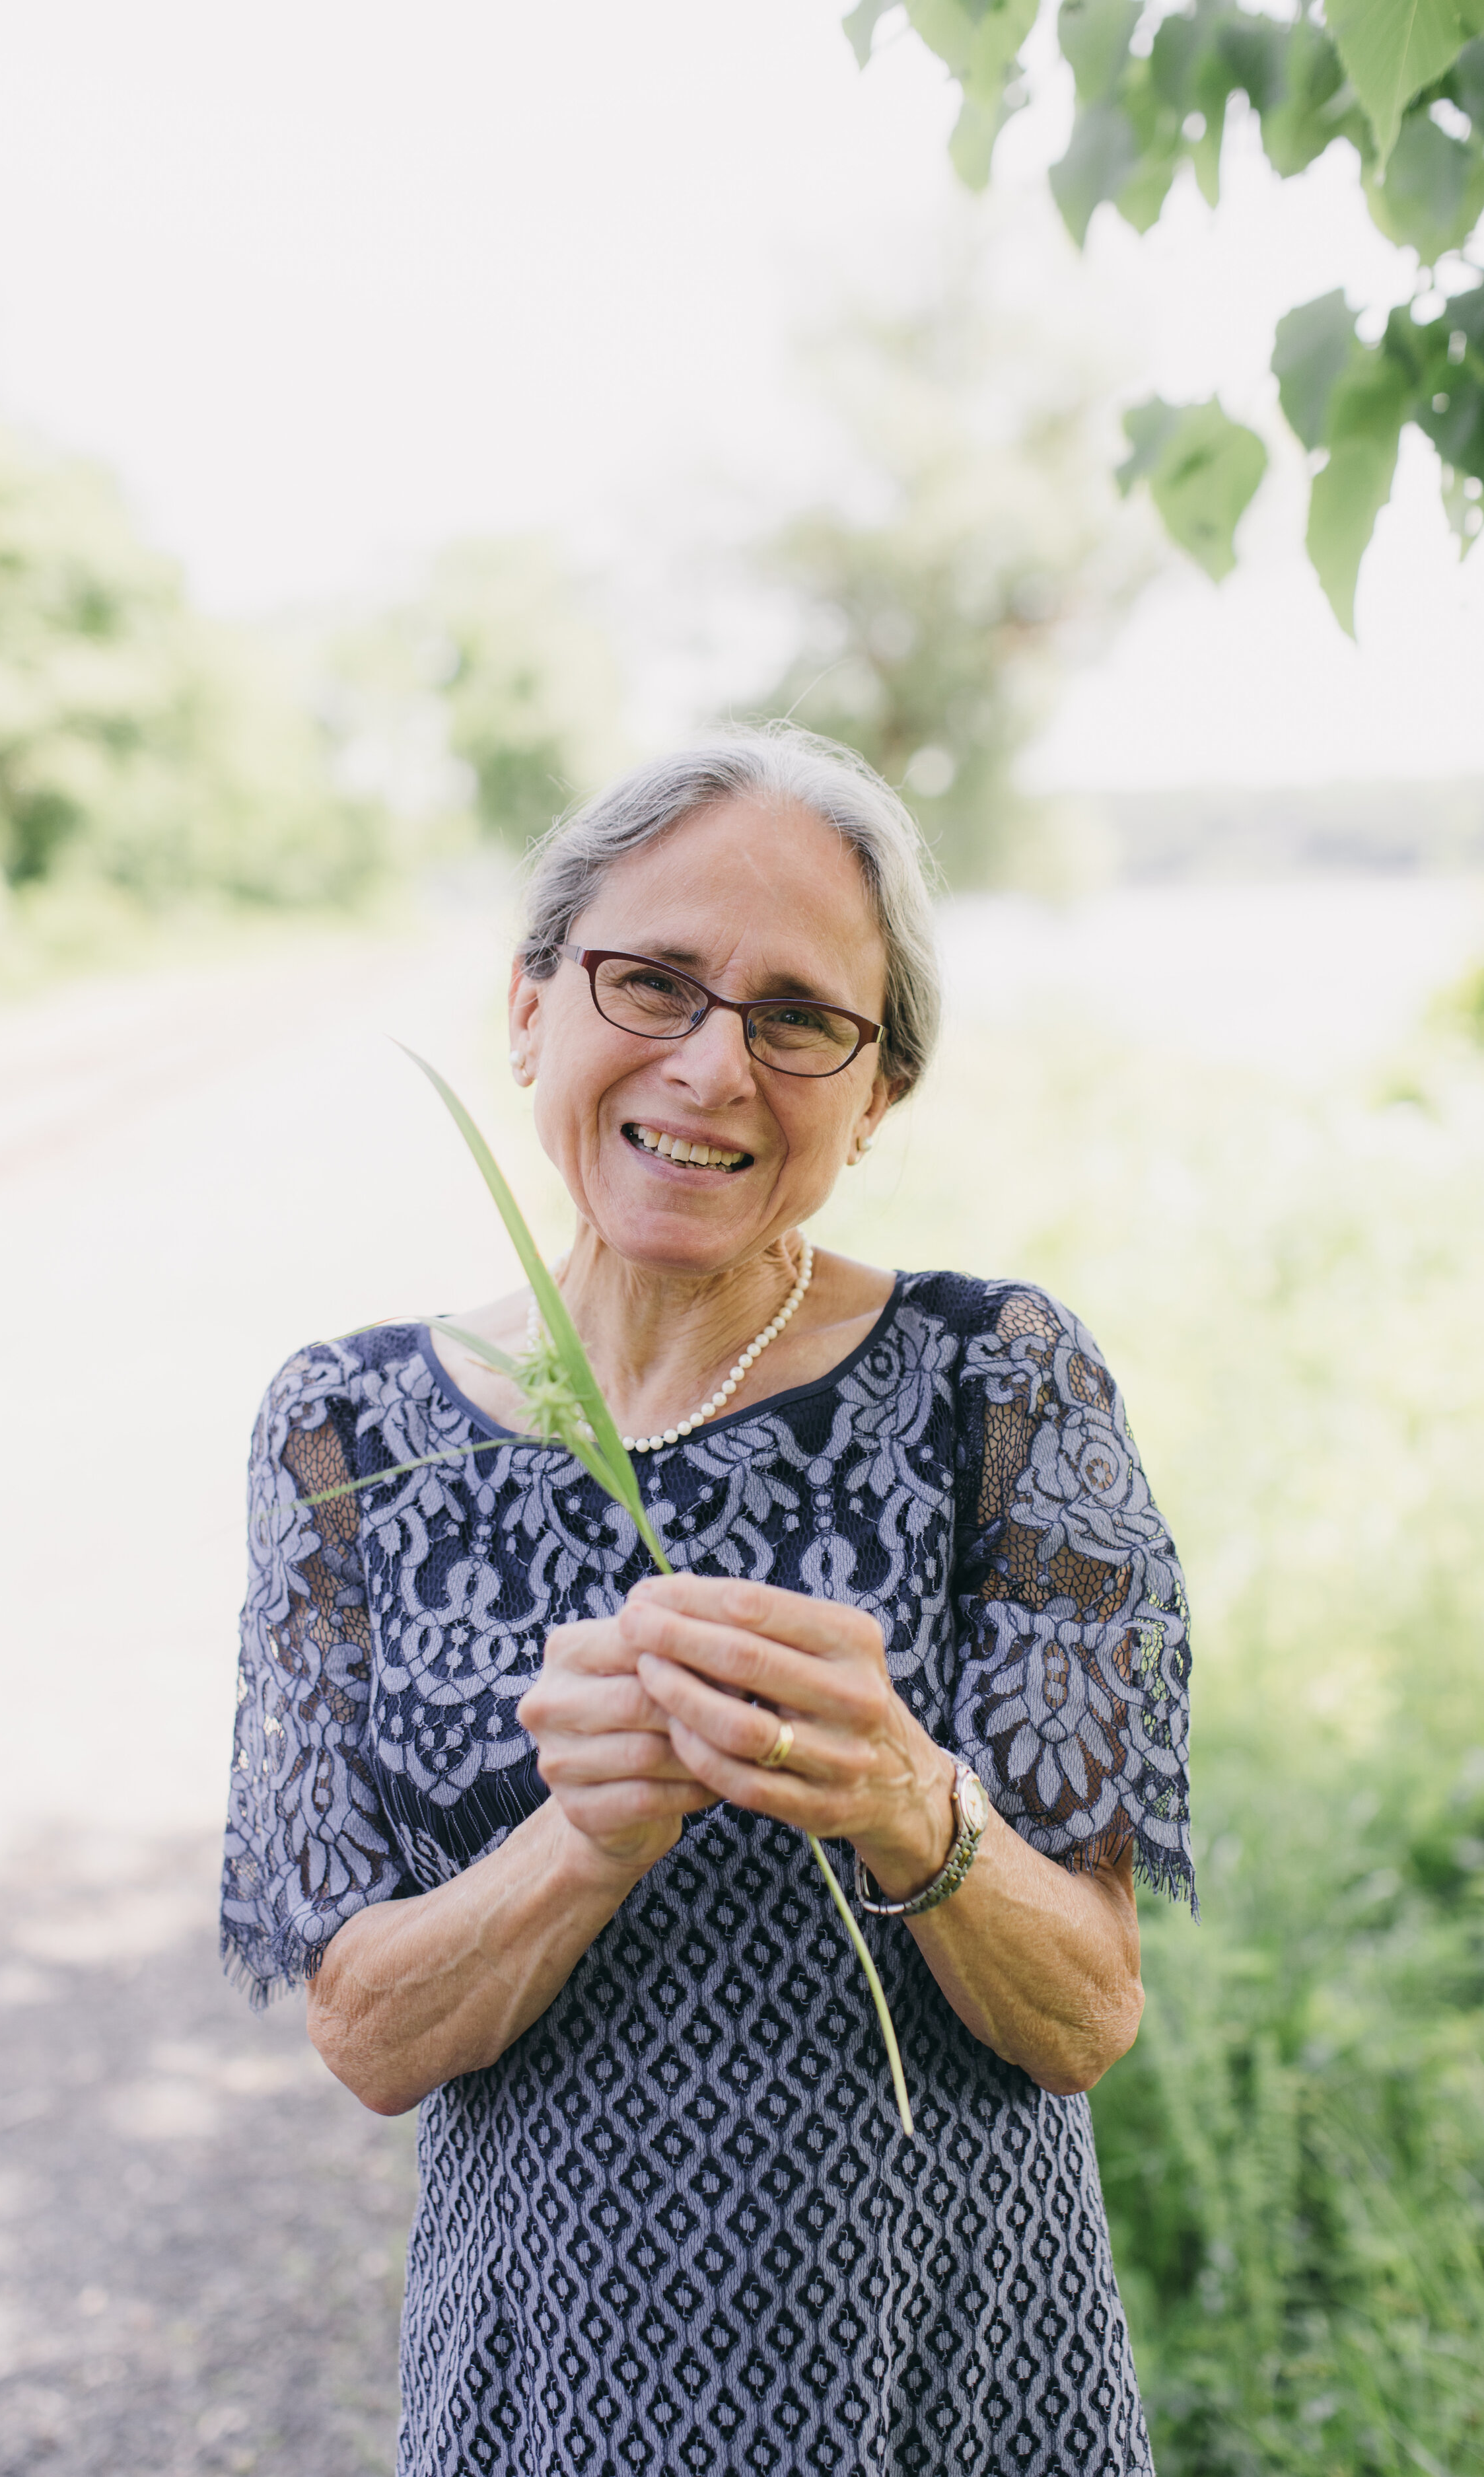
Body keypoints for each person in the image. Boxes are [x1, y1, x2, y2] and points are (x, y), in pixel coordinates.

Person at [221, 724, 1193, 2476]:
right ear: (529, 1007)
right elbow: (367, 2031)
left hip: (948, 2382)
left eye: (799, 1017)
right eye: (649, 982)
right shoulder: (343, 1430)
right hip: (547, 2400)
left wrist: (904, 1799)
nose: (709, 1066)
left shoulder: (999, 1389)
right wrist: (584, 1835)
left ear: (877, 1090)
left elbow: (1084, 2013)